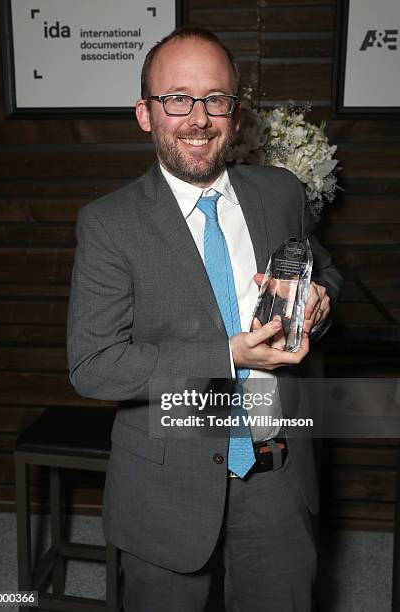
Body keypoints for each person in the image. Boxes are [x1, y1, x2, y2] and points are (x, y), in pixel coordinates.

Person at [67, 26, 342, 612]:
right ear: (146, 113)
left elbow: (323, 271)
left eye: (215, 99)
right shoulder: (108, 224)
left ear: (235, 114)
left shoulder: (281, 193)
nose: (198, 118)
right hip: (166, 486)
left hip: (279, 474)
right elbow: (93, 367)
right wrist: (228, 355)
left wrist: (319, 301)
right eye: (177, 99)